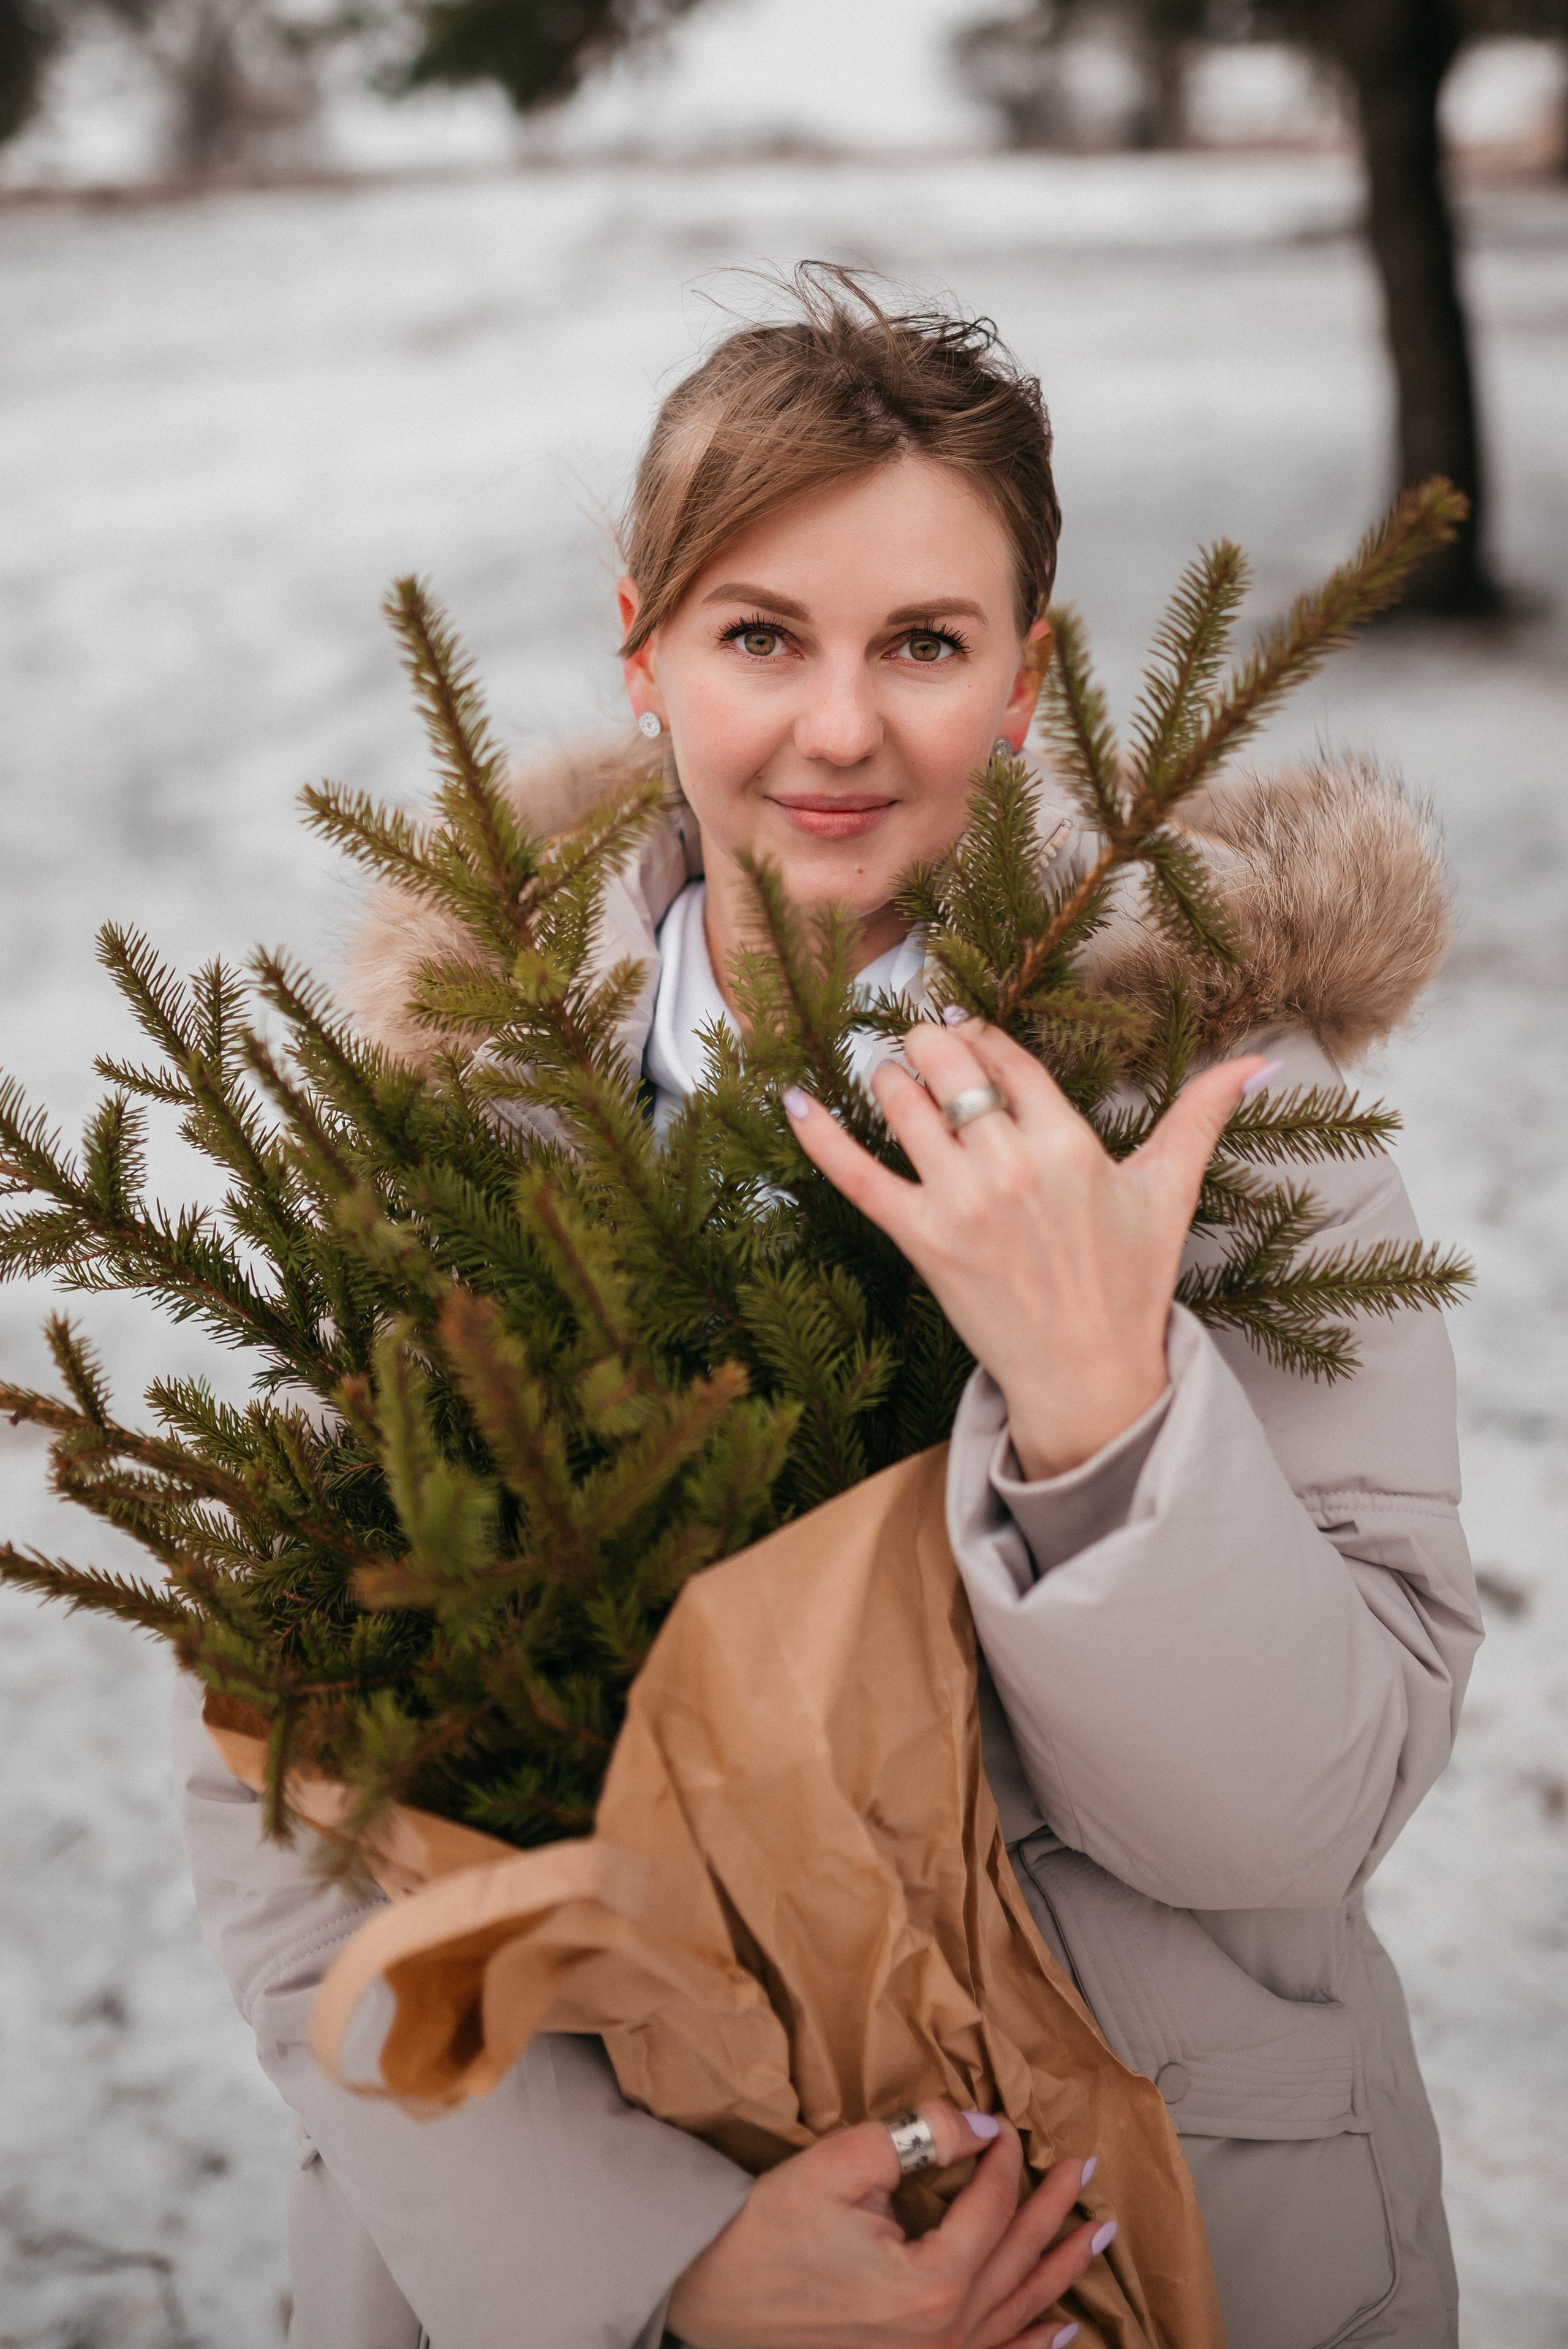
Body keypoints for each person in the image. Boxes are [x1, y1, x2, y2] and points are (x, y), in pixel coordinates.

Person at [174, 267, 1480, 2349]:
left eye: (927, 643)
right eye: (761, 635)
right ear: (644, 650)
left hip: (1144, 2232)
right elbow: (289, 1804)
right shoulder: (466, 1111)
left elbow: (1296, 1819)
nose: (843, 728)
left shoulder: (1215, 1127)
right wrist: (664, 2261)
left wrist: (1105, 1408)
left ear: (1026, 679)